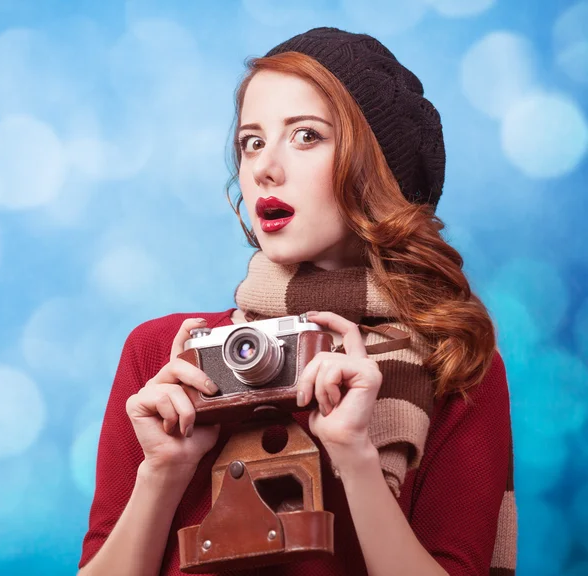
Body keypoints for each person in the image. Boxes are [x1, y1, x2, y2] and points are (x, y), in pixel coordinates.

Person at [77, 27, 517, 576]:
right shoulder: (169, 355)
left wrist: (356, 457)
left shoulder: (455, 363)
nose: (264, 168)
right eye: (251, 141)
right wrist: (163, 474)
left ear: (375, 166)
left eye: (305, 136)